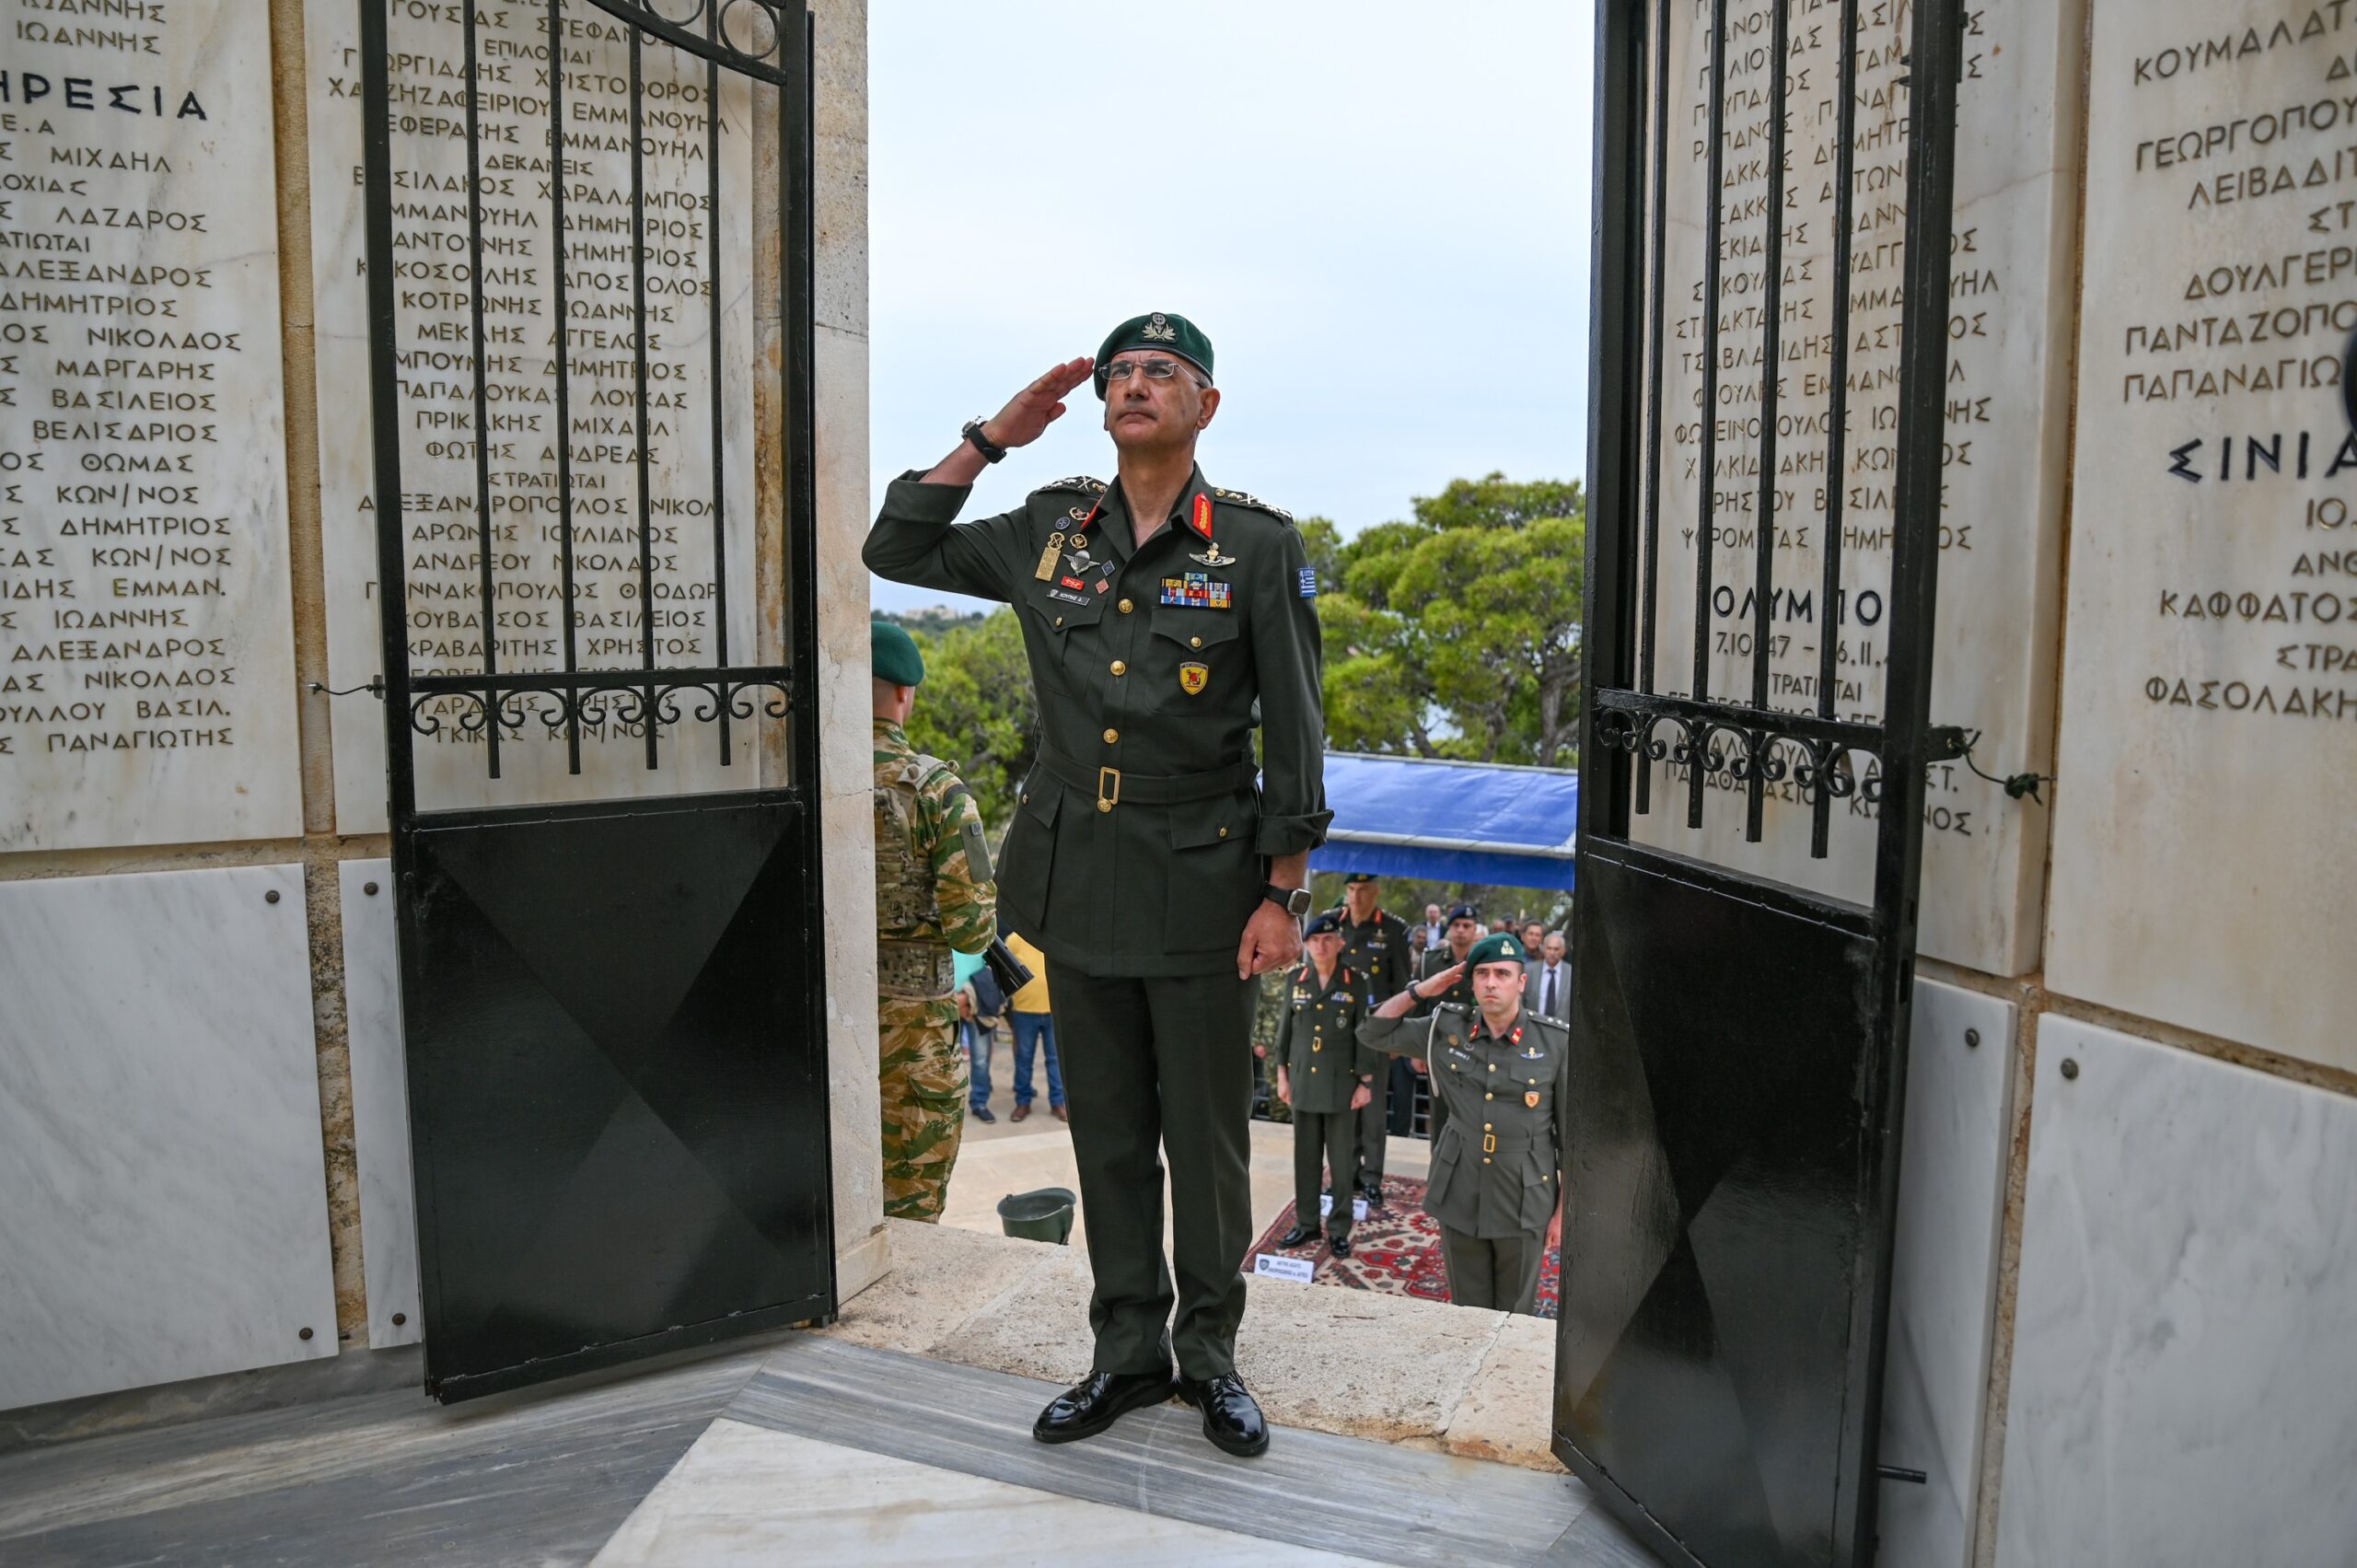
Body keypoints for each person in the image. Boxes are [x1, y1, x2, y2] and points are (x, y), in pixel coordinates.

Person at [863, 313, 1329, 1460]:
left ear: (1204, 405)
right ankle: (1126, 1352)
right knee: (1107, 1131)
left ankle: (1209, 1357)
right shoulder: (1045, 525)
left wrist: (1284, 892)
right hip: (1076, 869)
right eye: (1119, 371)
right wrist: (990, 437)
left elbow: (1298, 729)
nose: (1133, 384)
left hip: (1205, 880)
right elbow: (896, 549)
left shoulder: (1257, 546)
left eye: (1160, 371)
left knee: (1207, 1138)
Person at [1359, 933, 1566, 1315]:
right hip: (1460, 1187)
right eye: (1482, 973)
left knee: (1514, 1314)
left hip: (1524, 1196)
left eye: (1503, 973)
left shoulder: (1555, 1042)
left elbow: (1572, 1141)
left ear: (1521, 982)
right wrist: (1422, 989)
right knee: (1466, 1313)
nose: (1491, 982)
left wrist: (1561, 1209)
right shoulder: (1446, 1028)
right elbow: (1372, 1031)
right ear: (1469, 981)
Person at [872, 621, 997, 1221]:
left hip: (812, 1033)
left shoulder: (804, 780)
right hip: (913, 1042)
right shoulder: (938, 792)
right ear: (904, 692)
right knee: (910, 1219)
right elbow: (972, 930)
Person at [1273, 912, 1375, 1256]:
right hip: (1302, 1080)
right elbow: (1284, 1033)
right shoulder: (1296, 980)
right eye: (1315, 940)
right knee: (1306, 1157)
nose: (1321, 945)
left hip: (1340, 1085)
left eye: (1328, 939)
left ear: (1340, 943)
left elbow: (1364, 1034)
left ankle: (1339, 1228)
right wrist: (1282, 1075)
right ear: (1307, 944)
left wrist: (1365, 1081)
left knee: (1342, 1162)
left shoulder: (1354, 982)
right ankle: (1306, 1224)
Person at [1332, 873, 1411, 1207]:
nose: (1356, 896)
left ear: (1375, 893)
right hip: (1339, 1032)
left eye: (1363, 890)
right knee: (1342, 1105)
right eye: (1351, 890)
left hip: (1376, 1033)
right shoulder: (1332, 926)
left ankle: (1371, 1178)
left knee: (1374, 1109)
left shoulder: (1393, 930)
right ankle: (1345, 1173)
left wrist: (1396, 1037)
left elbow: (1402, 986)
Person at [1411, 905, 1483, 1145]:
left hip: (1476, 1052)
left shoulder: (1484, 964)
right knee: (1440, 1117)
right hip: (1438, 1049)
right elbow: (1420, 1006)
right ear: (1448, 928)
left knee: (1474, 1118)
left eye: (1467, 926)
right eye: (1456, 925)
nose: (1461, 930)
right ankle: (1439, 1174)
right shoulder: (1429, 961)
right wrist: (1418, 1051)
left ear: (1475, 930)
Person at [1002, 926, 1066, 1121]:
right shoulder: (1013, 940)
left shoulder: (1053, 937)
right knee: (1023, 1058)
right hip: (1024, 1012)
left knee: (1055, 1059)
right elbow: (1004, 971)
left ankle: (1058, 1103)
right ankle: (1023, 1102)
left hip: (1053, 1011)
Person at [955, 947, 1005, 1124]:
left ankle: (979, 1103)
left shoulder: (980, 933)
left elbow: (992, 968)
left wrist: (969, 996)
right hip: (946, 1001)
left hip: (978, 1001)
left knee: (981, 1059)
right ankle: (948, 1105)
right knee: (946, 1060)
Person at [1527, 930, 1572, 1022]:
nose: (1552, 952)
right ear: (1543, 949)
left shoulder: (1571, 972)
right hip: (1534, 1026)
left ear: (1563, 951)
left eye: (1556, 949)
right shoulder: (1529, 970)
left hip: (1562, 1029)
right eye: (1549, 948)